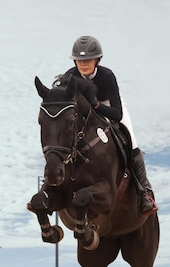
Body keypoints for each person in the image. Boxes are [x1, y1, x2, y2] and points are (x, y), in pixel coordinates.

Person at [64, 35, 157, 215]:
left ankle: (143, 192)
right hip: (85, 113)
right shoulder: (70, 76)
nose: (83, 64)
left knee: (132, 142)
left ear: (97, 60)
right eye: (79, 60)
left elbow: (117, 114)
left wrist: (96, 105)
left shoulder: (107, 75)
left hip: (108, 106)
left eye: (88, 60)